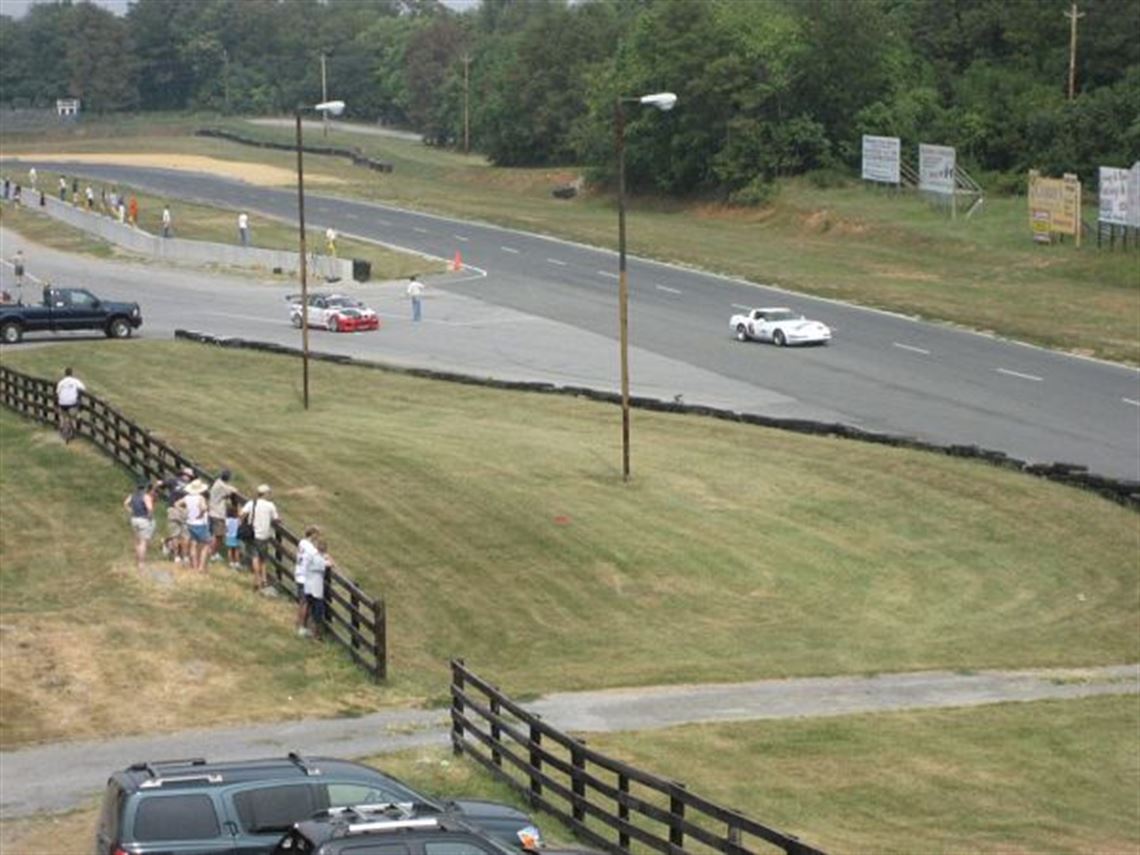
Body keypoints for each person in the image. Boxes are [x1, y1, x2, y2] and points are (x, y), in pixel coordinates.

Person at [241, 484, 280, 593]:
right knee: (263, 559)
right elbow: (276, 519)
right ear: (266, 494)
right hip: (263, 535)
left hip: (252, 534)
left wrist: (244, 523)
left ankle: (257, 580)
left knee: (255, 557)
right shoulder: (270, 505)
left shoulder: (252, 503)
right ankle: (263, 580)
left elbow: (242, 514)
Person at [160, 467, 194, 565]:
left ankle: (183, 555)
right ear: (183, 474)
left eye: (190, 476)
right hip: (174, 510)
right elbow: (161, 484)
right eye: (188, 475)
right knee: (175, 534)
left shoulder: (191, 486)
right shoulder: (173, 480)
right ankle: (177, 556)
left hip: (185, 511)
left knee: (185, 536)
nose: (188, 477)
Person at [177, 478, 211, 571]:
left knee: (193, 544)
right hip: (200, 523)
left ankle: (194, 566)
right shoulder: (200, 498)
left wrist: (184, 511)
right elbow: (204, 508)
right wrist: (200, 514)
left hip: (190, 522)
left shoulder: (186, 498)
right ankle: (201, 567)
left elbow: (176, 504)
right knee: (206, 545)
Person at [123, 478, 156, 572]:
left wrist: (131, 511)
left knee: (137, 541)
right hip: (143, 519)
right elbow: (150, 509)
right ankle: (141, 564)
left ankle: (138, 561)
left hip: (134, 519)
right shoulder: (146, 496)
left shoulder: (132, 495)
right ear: (145, 487)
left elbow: (125, 503)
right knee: (143, 542)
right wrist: (149, 518)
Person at [302, 536, 332, 641]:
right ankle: (316, 635)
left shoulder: (311, 555)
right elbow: (330, 564)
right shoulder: (319, 559)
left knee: (307, 606)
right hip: (316, 589)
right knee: (317, 614)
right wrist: (328, 558)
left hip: (308, 586)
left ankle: (303, 627)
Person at [294, 525, 320, 637]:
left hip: (299, 574)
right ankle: (302, 627)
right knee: (305, 603)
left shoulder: (302, 543)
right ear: (313, 534)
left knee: (302, 602)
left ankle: (300, 624)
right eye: (317, 535)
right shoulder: (311, 549)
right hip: (306, 578)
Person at [207, 469, 236, 562]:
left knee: (215, 535)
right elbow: (233, 491)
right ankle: (213, 553)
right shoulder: (222, 486)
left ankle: (211, 551)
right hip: (218, 513)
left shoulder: (217, 483)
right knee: (218, 535)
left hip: (213, 512)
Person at [55, 366, 85, 443]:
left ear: (65, 374)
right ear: (72, 374)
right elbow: (83, 388)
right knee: (74, 414)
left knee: (64, 416)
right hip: (72, 403)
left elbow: (57, 392)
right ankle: (77, 420)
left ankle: (62, 427)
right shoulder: (75, 381)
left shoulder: (61, 382)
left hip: (62, 403)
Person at [224, 496, 243, 569]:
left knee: (230, 549)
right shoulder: (237, 520)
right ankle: (237, 562)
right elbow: (240, 523)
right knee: (237, 550)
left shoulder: (227, 520)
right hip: (236, 536)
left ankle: (231, 562)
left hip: (229, 536)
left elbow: (226, 528)